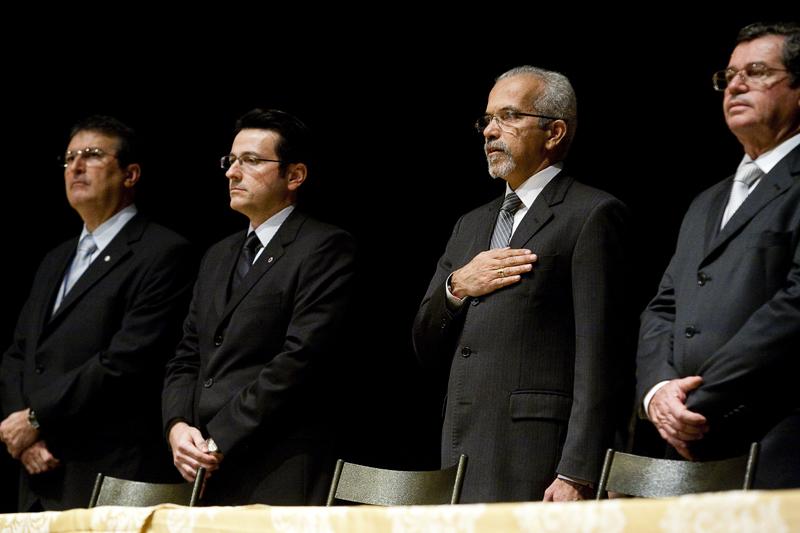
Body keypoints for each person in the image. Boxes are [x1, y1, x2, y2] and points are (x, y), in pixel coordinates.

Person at [412, 66, 630, 503]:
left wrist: (578, 470)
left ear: (554, 132)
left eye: (508, 116)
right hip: (461, 445)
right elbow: (424, 342)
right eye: (487, 120)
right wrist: (458, 286)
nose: (490, 131)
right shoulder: (470, 225)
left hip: (539, 453)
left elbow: (602, 354)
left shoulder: (591, 213)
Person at [162, 108, 356, 505]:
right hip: (205, 465)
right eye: (231, 160)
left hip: (278, 465)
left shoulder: (324, 247)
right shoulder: (218, 255)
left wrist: (221, 436)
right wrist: (178, 426)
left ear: (294, 175)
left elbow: (300, 359)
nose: (233, 173)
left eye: (250, 160)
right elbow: (187, 354)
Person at [0, 115, 194, 511]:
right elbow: (19, 354)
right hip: (39, 470)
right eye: (69, 158)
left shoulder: (162, 252)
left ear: (130, 174)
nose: (76, 166)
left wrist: (37, 419)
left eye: (91, 155)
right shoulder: (55, 260)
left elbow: (127, 360)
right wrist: (24, 434)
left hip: (110, 473)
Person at [637, 22, 800, 488]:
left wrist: (695, 401)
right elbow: (663, 307)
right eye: (728, 76)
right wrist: (657, 392)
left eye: (757, 72)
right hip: (686, 444)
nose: (736, 85)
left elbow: (794, 308)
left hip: (776, 440)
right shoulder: (705, 203)